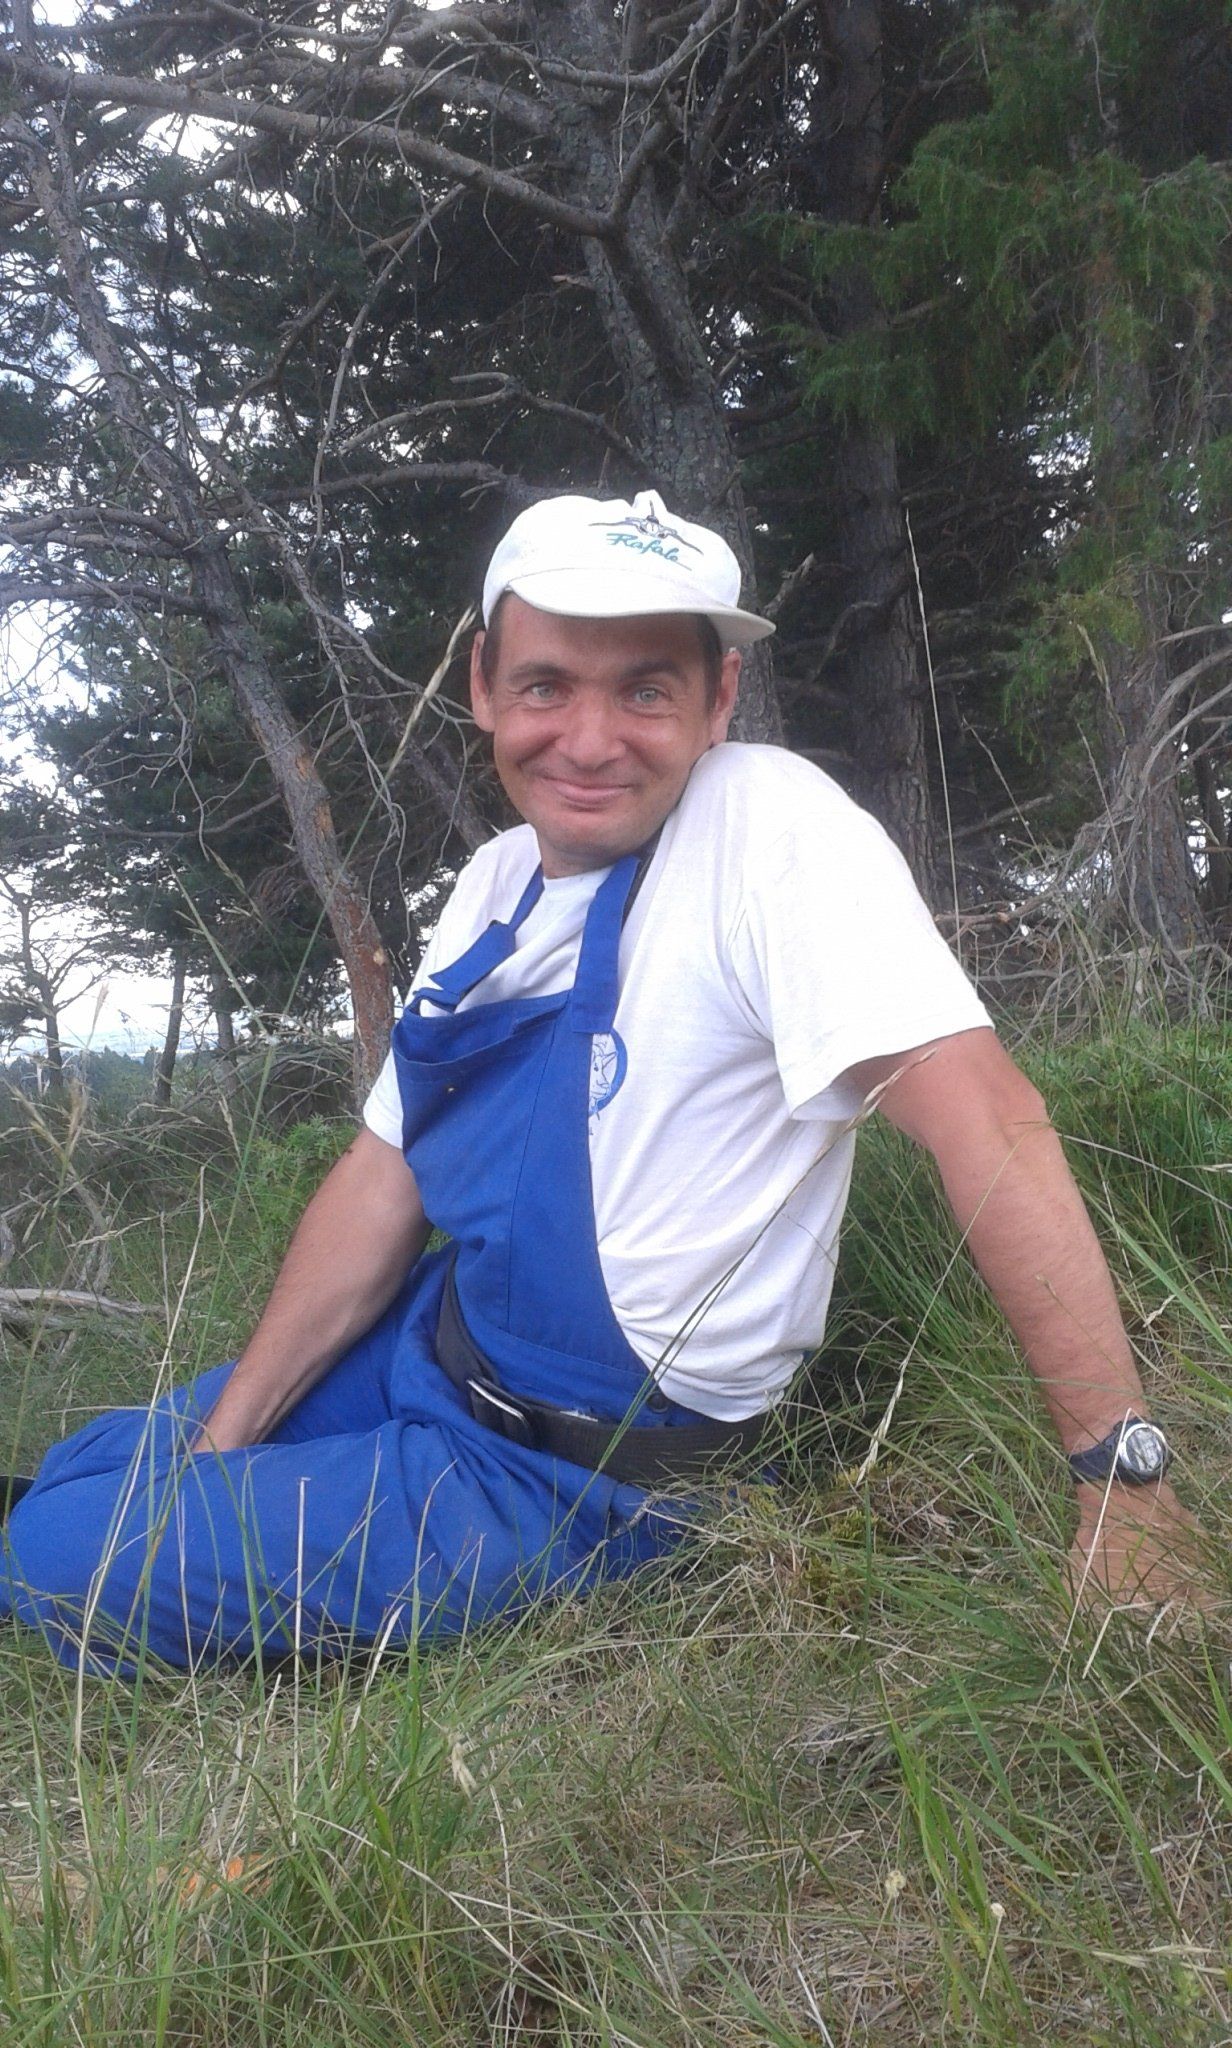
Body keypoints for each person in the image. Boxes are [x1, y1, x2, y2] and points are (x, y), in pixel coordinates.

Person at [0, 491, 1203, 1674]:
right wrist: (226, 1437)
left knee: (54, 1553)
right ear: (482, 683)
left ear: (717, 699)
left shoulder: (766, 831)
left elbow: (989, 1118)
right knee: (93, 1469)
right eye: (546, 685)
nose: (588, 739)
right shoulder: (491, 884)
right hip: (435, 1342)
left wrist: (1121, 1480)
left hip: (571, 1476)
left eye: (644, 688)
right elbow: (383, 1175)